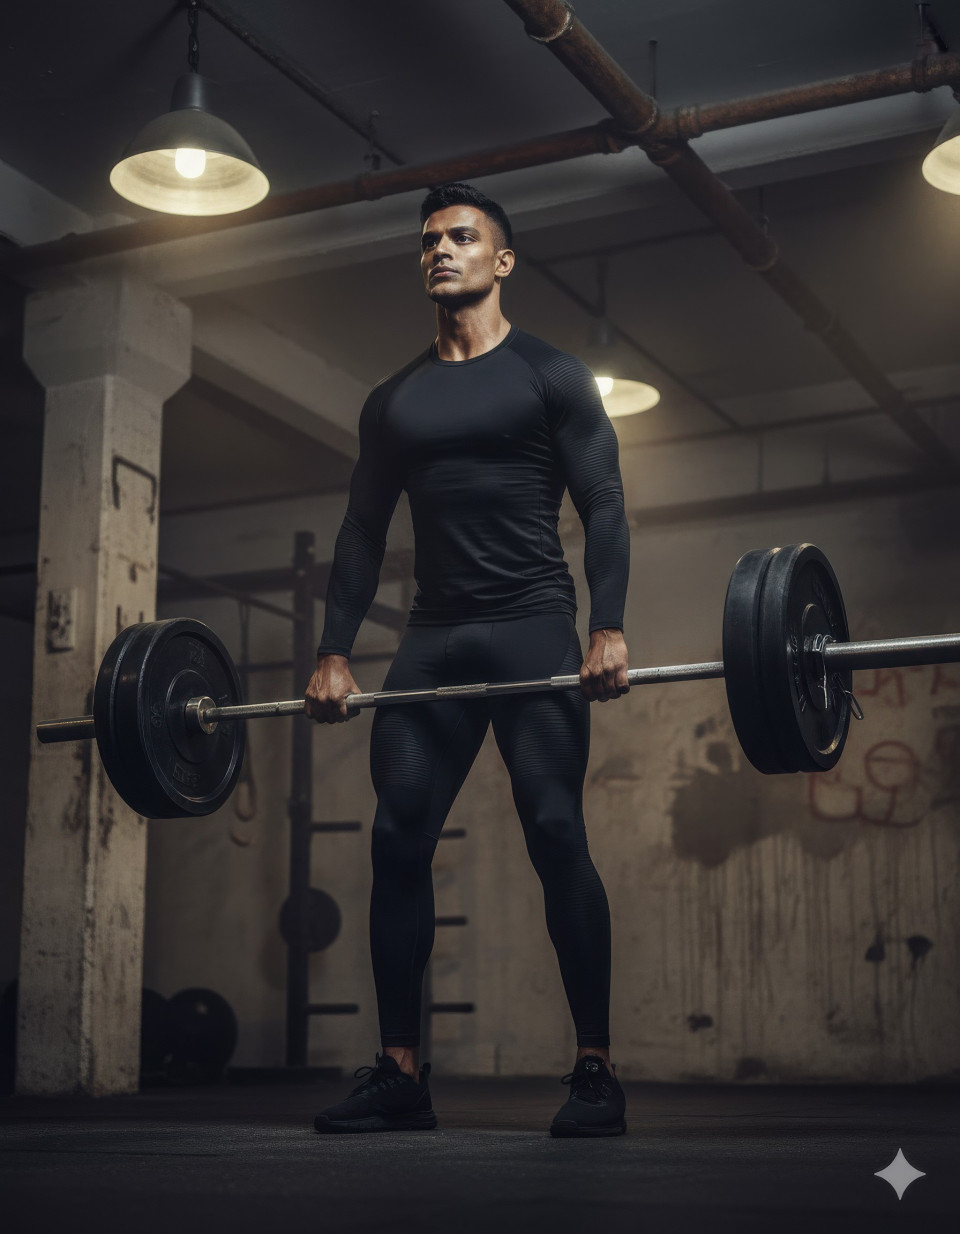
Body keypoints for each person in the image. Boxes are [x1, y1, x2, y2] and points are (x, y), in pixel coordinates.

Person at [305, 182, 631, 1137]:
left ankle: (596, 1069)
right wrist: (332, 650)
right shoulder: (393, 400)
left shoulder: (554, 375)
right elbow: (363, 530)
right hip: (434, 638)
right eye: (429, 241)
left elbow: (604, 504)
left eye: (461, 237)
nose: (439, 250)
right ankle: (402, 1073)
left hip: (533, 624)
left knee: (554, 831)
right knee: (396, 835)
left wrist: (607, 624)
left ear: (503, 260)